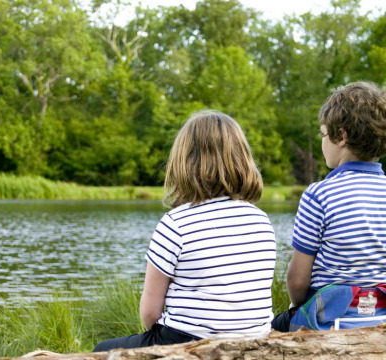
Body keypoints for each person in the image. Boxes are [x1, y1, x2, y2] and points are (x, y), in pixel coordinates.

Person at [93, 110, 277, 352]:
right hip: (254, 342)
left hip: (188, 342)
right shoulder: (261, 220)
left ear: (184, 161)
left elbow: (149, 313)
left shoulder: (176, 223)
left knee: (101, 351)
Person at [272, 81, 386, 332]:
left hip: (330, 322)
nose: (323, 141)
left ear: (342, 136)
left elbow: (297, 280)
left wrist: (299, 307)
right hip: (381, 319)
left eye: (324, 134)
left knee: (271, 326)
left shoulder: (319, 194)